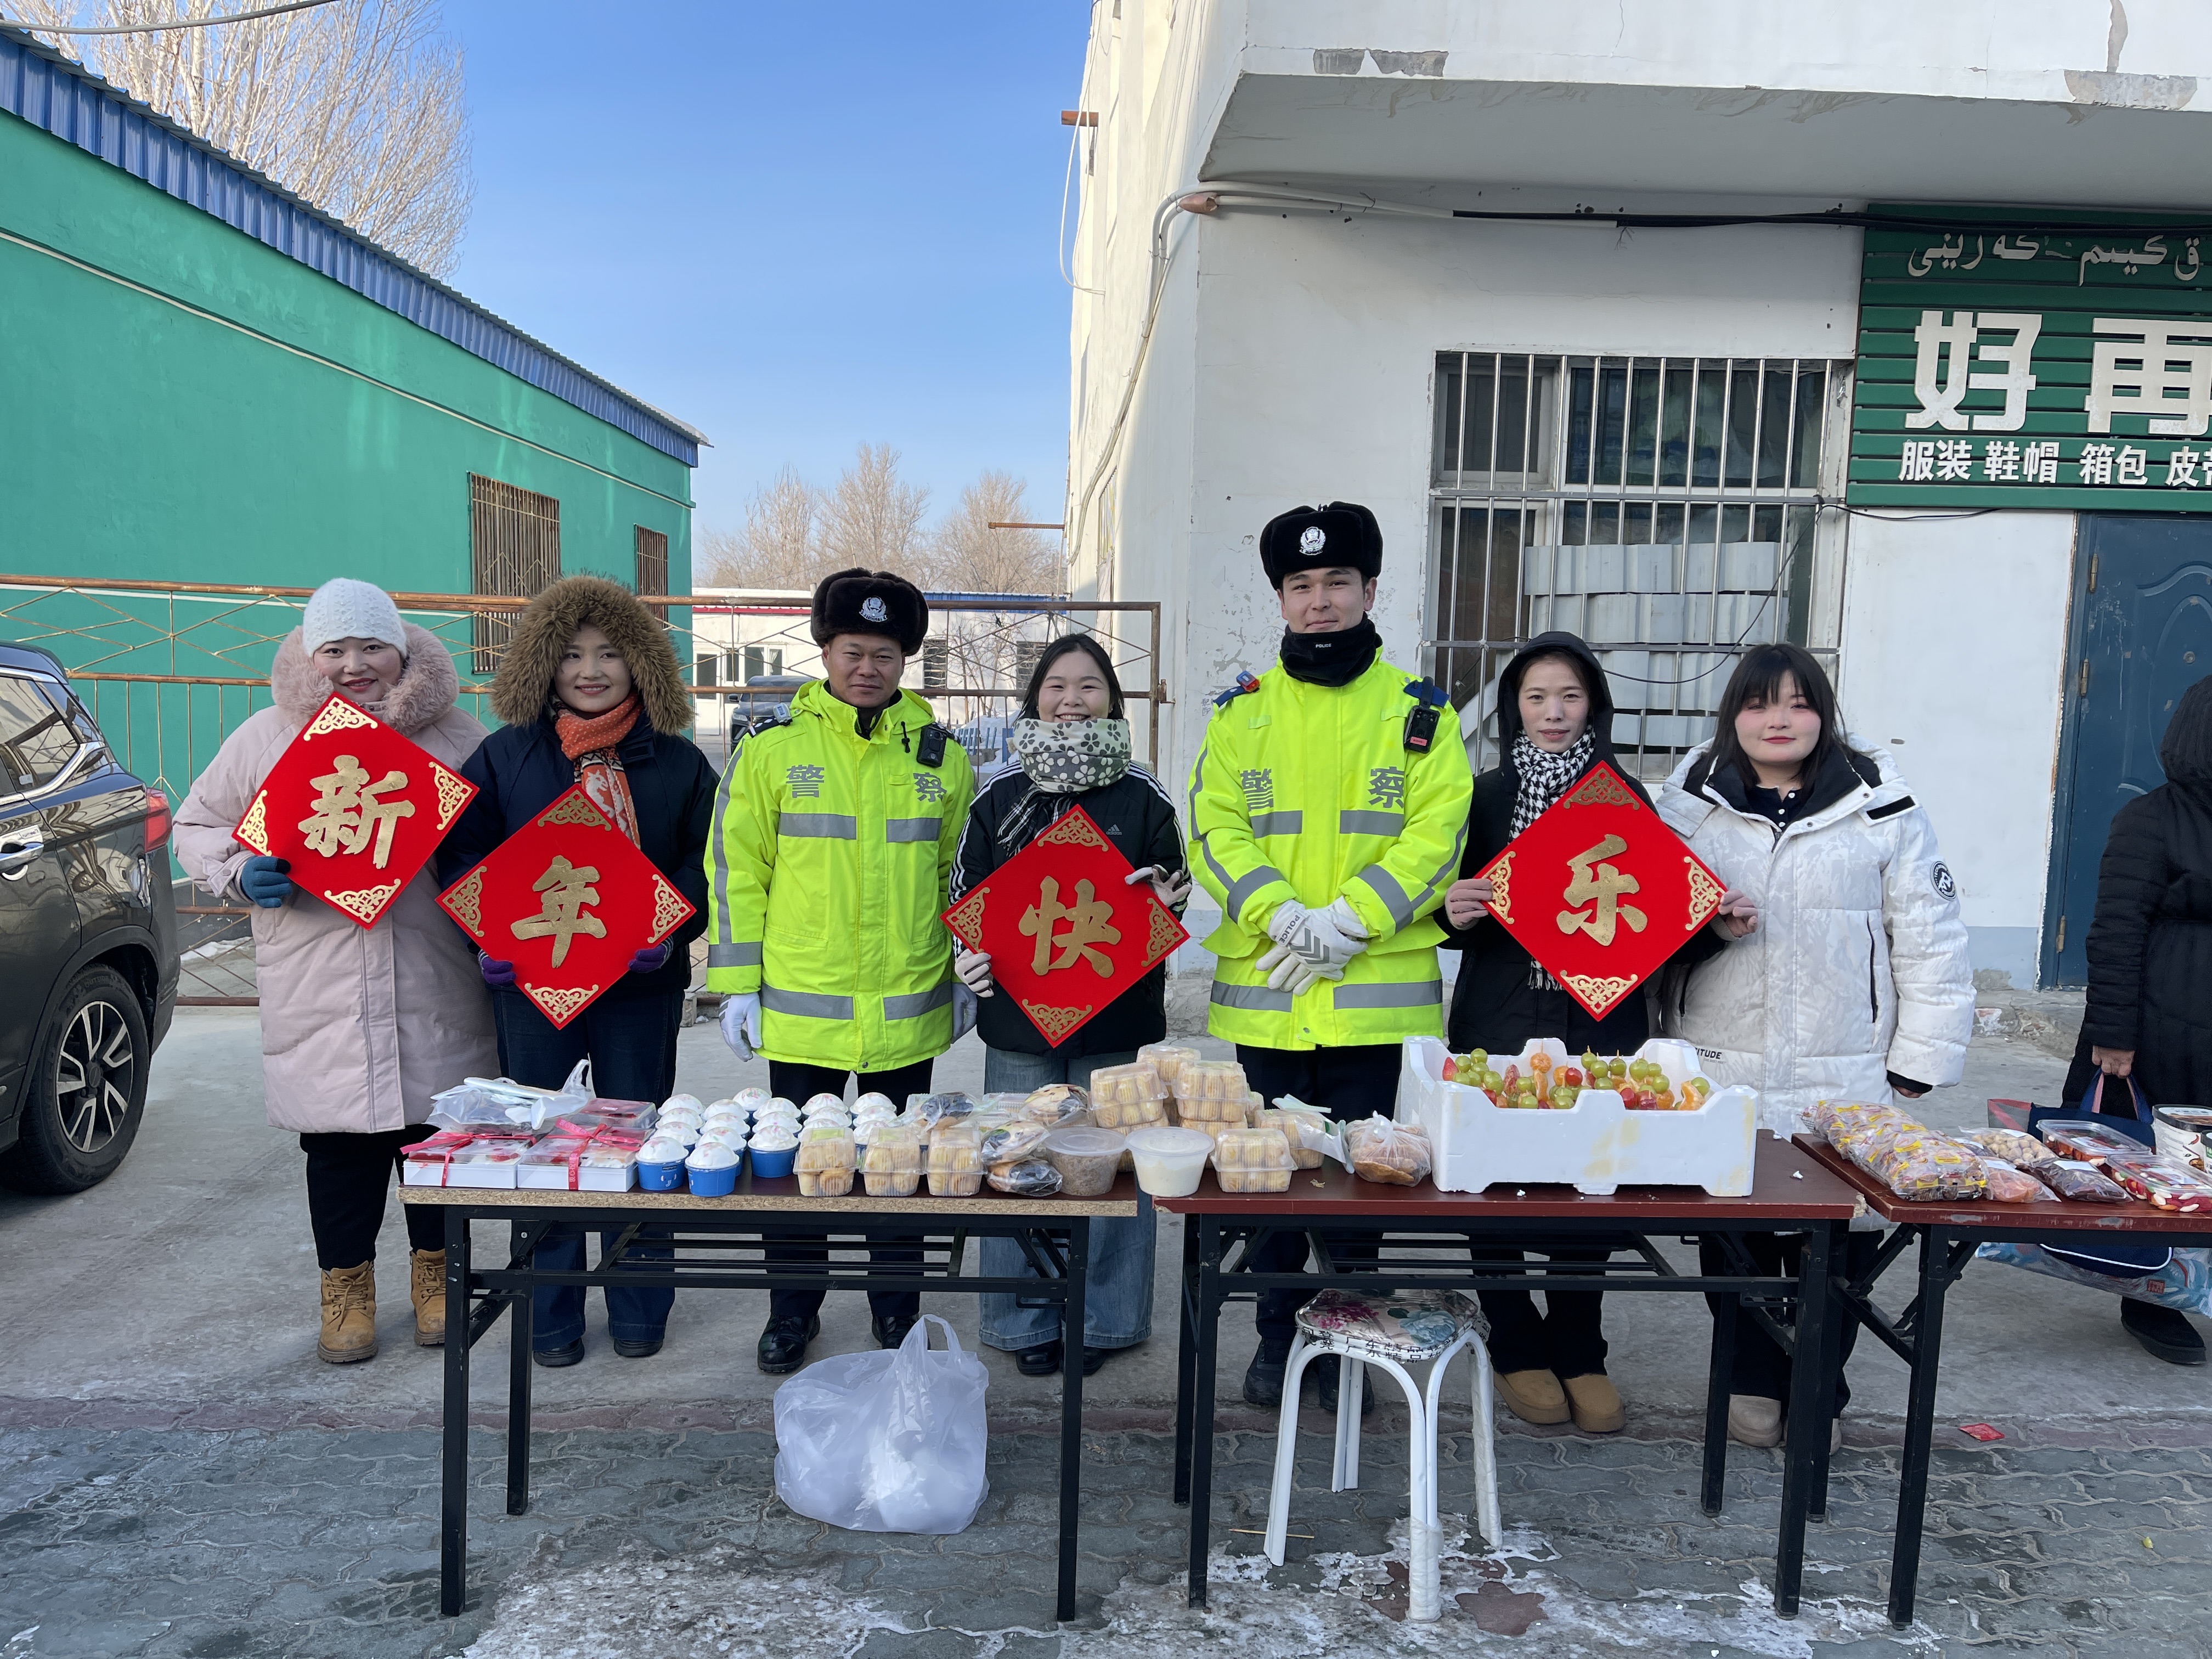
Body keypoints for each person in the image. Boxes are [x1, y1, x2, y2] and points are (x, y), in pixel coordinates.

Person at [1187, 501, 1473, 1411]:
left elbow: (1440, 830)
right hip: (1269, 999)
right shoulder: (1243, 714)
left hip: (1375, 999)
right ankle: (1278, 1338)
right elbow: (1213, 827)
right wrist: (1281, 915)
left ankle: (1350, 1343)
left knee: (1364, 1184)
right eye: (1301, 585)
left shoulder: (1419, 712)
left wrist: (1351, 920)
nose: (1320, 600)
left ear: (1370, 589)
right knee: (1268, 1181)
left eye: (1337, 582)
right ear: (1281, 598)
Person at [1657, 642, 1972, 1448]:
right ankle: (1750, 1379)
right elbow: (1649, 932)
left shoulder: (1881, 808)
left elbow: (1929, 934)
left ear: (1823, 715)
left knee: (1841, 1243)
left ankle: (1817, 1390)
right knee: (1735, 1238)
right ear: (1733, 716)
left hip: (1846, 1065)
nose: (1780, 720)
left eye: (1799, 704)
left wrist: (1921, 1057)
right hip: (1721, 1059)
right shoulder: (1687, 808)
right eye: (1760, 703)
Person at [174, 578, 495, 1365]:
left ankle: (439, 1277)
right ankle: (345, 1289)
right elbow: (197, 822)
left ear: (402, 652)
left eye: (373, 647)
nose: (355, 665)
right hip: (318, 980)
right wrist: (236, 871)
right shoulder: (267, 736)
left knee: (433, 1140)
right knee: (339, 1151)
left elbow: (509, 838)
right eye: (335, 650)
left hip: (432, 976)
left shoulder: (456, 737)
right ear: (311, 658)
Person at [438, 575, 716, 1368]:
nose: (590, 671)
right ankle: (550, 1314)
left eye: (609, 653)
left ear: (642, 663)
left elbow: (703, 863)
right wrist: (485, 938)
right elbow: (462, 855)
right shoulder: (505, 756)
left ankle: (640, 1306)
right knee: (545, 1142)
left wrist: (672, 927)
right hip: (533, 983)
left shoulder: (678, 762)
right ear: (542, 664)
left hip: (640, 983)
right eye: (570, 655)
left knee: (638, 1140)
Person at [706, 567, 977, 1374]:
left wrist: (962, 970)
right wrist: (737, 984)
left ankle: (896, 1308)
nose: (867, 668)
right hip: (803, 1011)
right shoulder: (772, 751)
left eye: (884, 655)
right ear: (825, 652)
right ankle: (792, 1311)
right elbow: (737, 869)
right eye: (853, 651)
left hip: (905, 1007)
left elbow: (959, 876)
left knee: (897, 1171)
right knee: (800, 1172)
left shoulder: (942, 760)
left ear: (904, 662)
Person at [950, 635, 1190, 1378]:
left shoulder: (1143, 795)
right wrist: (967, 954)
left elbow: (1175, 888)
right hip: (1018, 1016)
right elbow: (966, 890)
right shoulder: (1000, 794)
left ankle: (1107, 1320)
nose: (1072, 700)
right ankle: (1020, 1317)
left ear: (1112, 700)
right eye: (1057, 685)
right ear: (1036, 698)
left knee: (1112, 1166)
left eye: (1089, 686)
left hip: (1114, 1014)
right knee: (1016, 1158)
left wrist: (1167, 897)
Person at [1436, 631, 1650, 1435]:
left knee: (1588, 1179)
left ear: (1593, 704)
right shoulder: (1483, 796)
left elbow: (1659, 911)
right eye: (1536, 697)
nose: (1553, 712)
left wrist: (1718, 920)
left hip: (1598, 1019)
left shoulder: (1624, 797)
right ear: (1513, 708)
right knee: (1493, 1176)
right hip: (1499, 1014)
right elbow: (1442, 905)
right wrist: (1454, 912)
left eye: (1569, 696)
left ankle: (1581, 1347)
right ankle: (1514, 1337)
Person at [2062, 675, 2212, 1367]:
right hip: (2168, 1020)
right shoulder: (2151, 819)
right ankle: (2153, 1293)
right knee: (2164, 1164)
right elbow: (2116, 930)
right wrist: (2113, 1035)